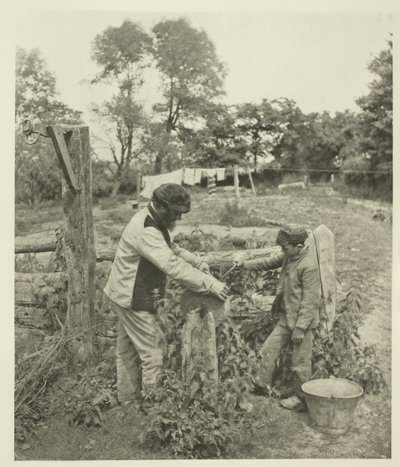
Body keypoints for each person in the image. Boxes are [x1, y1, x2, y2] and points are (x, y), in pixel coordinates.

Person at [104, 183, 229, 406]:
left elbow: (173, 249)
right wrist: (209, 284)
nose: (179, 219)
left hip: (122, 292)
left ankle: (126, 401)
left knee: (127, 350)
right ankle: (153, 407)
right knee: (154, 351)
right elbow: (172, 265)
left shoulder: (153, 219)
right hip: (131, 297)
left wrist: (198, 262)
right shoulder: (147, 230)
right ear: (162, 206)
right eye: (176, 213)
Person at [237, 223, 321, 410]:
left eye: (285, 247)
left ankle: (302, 400)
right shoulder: (290, 256)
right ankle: (261, 384)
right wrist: (245, 265)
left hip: (302, 323)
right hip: (286, 318)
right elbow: (268, 262)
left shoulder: (309, 266)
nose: (282, 251)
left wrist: (300, 328)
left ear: (299, 246)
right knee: (268, 350)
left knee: (300, 362)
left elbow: (311, 301)